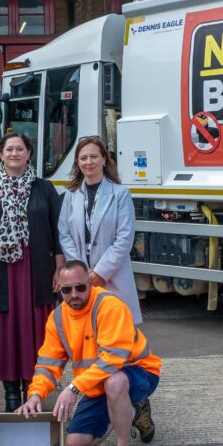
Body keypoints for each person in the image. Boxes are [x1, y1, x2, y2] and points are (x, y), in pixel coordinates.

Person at [16, 260, 161, 446]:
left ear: (90, 283)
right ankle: (133, 411)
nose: (74, 294)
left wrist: (74, 388)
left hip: (138, 374)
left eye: (80, 287)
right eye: (66, 290)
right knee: (76, 445)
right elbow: (47, 363)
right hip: (96, 384)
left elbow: (113, 360)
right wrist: (35, 395)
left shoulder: (109, 306)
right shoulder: (57, 318)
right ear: (59, 288)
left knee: (114, 382)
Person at [0, 131, 65, 411]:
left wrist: (59, 270)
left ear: (29, 153)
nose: (15, 153)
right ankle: (10, 392)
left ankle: (34, 390)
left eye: (20, 148)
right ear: (1, 154)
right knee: (4, 332)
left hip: (37, 273)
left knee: (37, 332)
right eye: (9, 149)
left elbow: (59, 232)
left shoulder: (44, 189)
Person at [58, 135, 141, 324]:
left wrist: (101, 272)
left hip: (113, 276)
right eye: (83, 158)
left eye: (94, 157)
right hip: (81, 281)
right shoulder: (71, 195)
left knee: (115, 331)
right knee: (85, 333)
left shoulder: (120, 194)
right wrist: (81, 271)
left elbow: (125, 238)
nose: (89, 162)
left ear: (104, 159)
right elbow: (65, 235)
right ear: (78, 163)